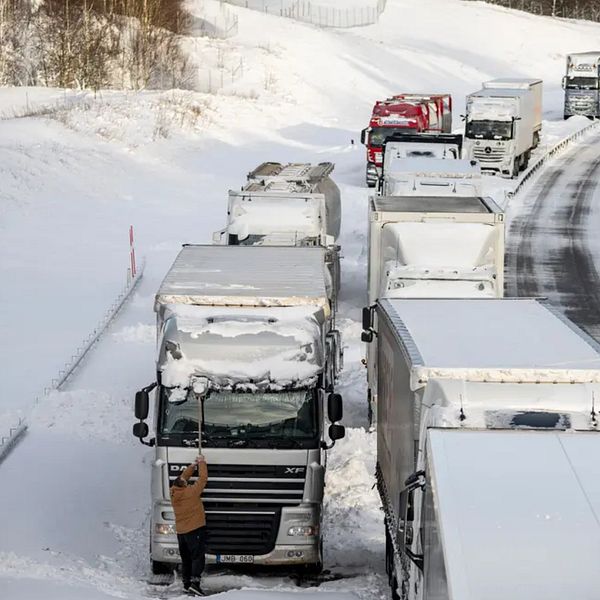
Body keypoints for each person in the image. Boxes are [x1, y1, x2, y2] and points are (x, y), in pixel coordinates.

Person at [170, 454, 208, 596]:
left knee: (186, 558)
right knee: (197, 557)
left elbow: (182, 478)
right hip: (195, 529)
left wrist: (192, 467)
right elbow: (203, 479)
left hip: (181, 532)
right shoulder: (191, 492)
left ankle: (186, 583)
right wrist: (202, 463)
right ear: (184, 484)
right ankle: (195, 584)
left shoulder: (173, 492)